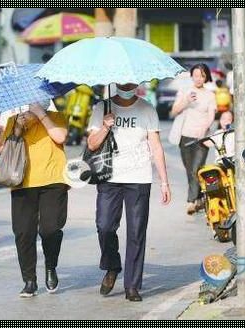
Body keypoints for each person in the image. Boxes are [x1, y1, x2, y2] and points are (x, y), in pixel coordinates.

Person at [87, 83, 171, 302]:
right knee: (104, 226)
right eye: (123, 81)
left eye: (132, 81)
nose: (127, 85)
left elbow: (156, 147)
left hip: (139, 178)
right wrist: (105, 127)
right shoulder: (101, 107)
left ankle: (132, 285)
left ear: (137, 83)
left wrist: (164, 181)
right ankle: (112, 266)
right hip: (109, 178)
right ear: (115, 82)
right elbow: (92, 144)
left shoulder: (147, 109)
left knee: (136, 233)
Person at [0, 100, 69, 298]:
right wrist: (18, 128)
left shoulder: (56, 117)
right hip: (22, 182)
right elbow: (6, 149)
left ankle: (50, 267)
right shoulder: (14, 121)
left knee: (51, 229)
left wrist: (41, 114)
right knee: (23, 233)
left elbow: (60, 137)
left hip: (53, 180)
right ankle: (29, 280)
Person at [170, 63, 217, 215]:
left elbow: (211, 115)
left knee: (197, 169)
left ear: (206, 77)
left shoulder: (210, 95)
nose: (198, 79)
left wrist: (204, 128)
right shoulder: (185, 91)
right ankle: (200, 198)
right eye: (196, 75)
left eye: (202, 76)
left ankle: (191, 201)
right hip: (185, 136)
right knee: (190, 170)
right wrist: (186, 101)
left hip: (201, 138)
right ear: (191, 76)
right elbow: (174, 111)